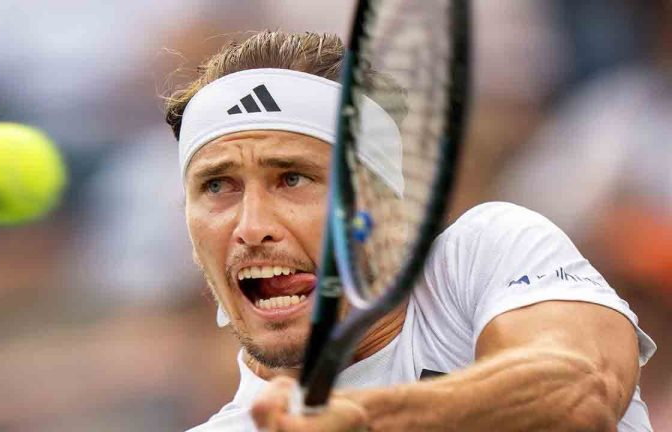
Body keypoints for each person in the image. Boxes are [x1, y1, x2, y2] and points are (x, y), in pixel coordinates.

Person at [165, 31, 656, 431]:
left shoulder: (483, 251)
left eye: (293, 178)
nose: (251, 228)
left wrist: (365, 417)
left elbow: (581, 392)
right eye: (217, 186)